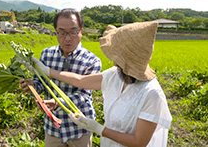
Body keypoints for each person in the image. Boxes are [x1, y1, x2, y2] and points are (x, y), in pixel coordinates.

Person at [28, 21, 172, 147]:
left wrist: (100, 129)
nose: (113, 59)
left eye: (116, 55)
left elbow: (138, 142)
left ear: (126, 60)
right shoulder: (116, 74)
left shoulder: (152, 94)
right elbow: (80, 80)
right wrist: (46, 70)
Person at [19, 8, 102, 147]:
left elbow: (84, 95)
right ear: (56, 32)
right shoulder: (47, 55)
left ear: (81, 31)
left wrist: (57, 102)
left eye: (73, 32)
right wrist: (32, 86)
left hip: (80, 128)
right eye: (62, 33)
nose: (67, 38)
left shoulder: (92, 61)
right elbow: (40, 82)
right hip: (53, 129)